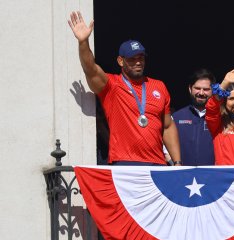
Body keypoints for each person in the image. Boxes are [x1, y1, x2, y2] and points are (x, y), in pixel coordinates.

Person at [68, 11, 181, 166]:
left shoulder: (158, 86)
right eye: (132, 59)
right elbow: (90, 69)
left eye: (141, 58)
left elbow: (167, 126)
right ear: (121, 61)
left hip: (157, 163)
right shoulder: (112, 85)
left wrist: (177, 162)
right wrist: (83, 42)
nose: (138, 62)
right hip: (125, 163)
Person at [169, 69, 216, 166]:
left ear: (213, 91)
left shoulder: (219, 118)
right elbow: (165, 148)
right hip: (183, 176)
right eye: (197, 88)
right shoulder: (176, 117)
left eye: (206, 89)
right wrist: (175, 165)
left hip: (212, 176)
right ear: (190, 89)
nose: (201, 93)